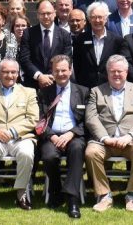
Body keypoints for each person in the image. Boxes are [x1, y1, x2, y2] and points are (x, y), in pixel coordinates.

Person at [84, 55, 133, 212]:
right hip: (104, 141)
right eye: (113, 71)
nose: (116, 74)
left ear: (126, 72)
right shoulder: (96, 92)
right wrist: (105, 138)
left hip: (130, 140)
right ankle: (104, 195)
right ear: (107, 73)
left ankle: (131, 195)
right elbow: (91, 118)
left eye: (120, 71)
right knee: (91, 153)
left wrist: (130, 136)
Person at [0, 59, 38, 215]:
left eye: (13, 72)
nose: (9, 75)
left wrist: (12, 132)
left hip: (21, 137)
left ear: (18, 74)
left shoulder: (29, 92)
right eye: (5, 72)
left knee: (27, 153)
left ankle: (21, 194)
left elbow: (33, 119)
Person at [37, 55, 88, 218]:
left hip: (74, 135)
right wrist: (51, 136)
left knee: (77, 150)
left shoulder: (83, 91)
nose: (60, 74)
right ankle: (56, 190)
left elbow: (88, 120)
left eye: (64, 70)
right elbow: (39, 120)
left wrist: (71, 133)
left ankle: (72, 200)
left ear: (70, 70)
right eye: (56, 71)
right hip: (51, 136)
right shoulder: (44, 93)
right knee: (49, 156)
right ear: (51, 72)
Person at [19, 0, 72, 90]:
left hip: (57, 84)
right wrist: (39, 76)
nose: (46, 16)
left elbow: (66, 59)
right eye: (42, 14)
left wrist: (52, 77)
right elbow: (24, 59)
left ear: (54, 13)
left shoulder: (65, 35)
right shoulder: (28, 33)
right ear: (37, 15)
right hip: (33, 85)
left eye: (49, 13)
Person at [72, 3, 125, 89]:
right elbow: (77, 66)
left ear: (106, 19)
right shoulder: (80, 40)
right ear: (89, 19)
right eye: (93, 17)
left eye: (100, 17)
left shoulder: (117, 40)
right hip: (86, 88)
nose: (97, 20)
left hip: (109, 88)